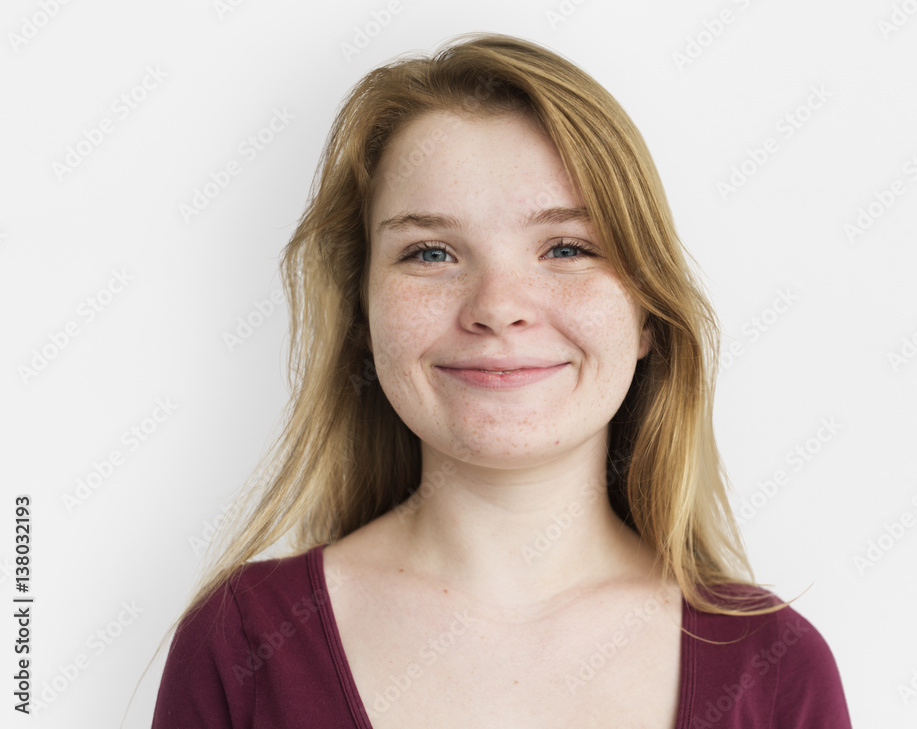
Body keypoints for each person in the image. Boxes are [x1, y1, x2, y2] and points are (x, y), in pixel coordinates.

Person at [149, 32, 852, 728]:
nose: (498, 307)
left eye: (568, 247)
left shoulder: (777, 668)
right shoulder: (240, 642)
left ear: (646, 314)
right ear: (362, 313)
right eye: (430, 252)